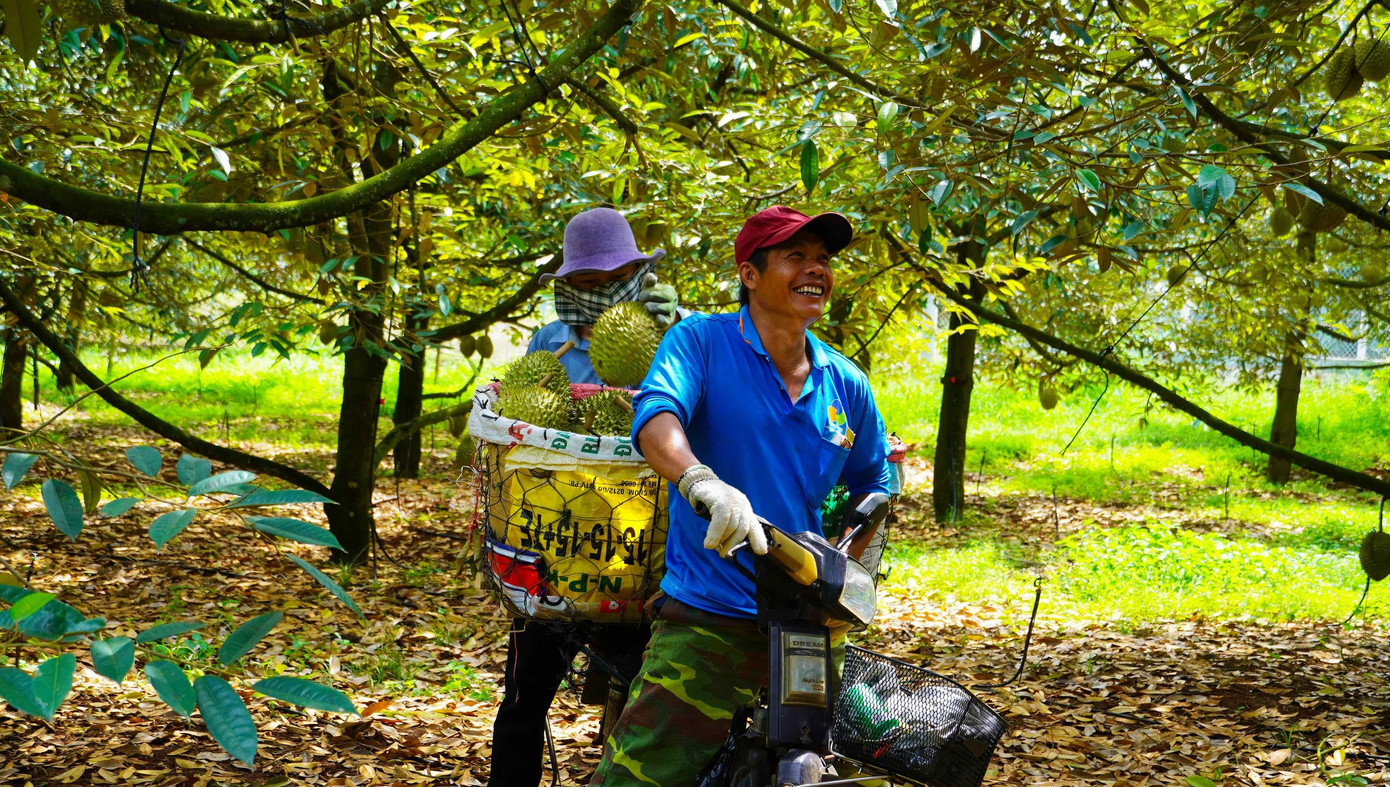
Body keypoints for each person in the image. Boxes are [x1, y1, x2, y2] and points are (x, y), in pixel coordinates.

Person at [591, 206, 893, 786]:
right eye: (795, 257)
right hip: (710, 615)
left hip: (805, 628)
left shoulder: (844, 381)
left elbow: (875, 482)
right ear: (750, 275)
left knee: (805, 772)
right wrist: (701, 481)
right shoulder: (701, 342)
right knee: (639, 777)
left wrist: (846, 559)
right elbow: (658, 420)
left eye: (823, 260)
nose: (815, 270)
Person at [490, 207, 681, 787]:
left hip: (638, 546)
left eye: (611, 279)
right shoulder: (550, 342)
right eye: (586, 283)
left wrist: (669, 338)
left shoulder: (675, 332)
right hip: (554, 543)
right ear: (568, 284)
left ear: (634, 271)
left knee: (642, 703)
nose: (598, 293)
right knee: (523, 699)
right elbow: (519, 419)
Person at [527, 207, 681, 380]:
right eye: (589, 281)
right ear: (568, 283)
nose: (609, 292)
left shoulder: (674, 329)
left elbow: (710, 341)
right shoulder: (546, 342)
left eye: (619, 277)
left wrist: (676, 322)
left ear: (640, 271)